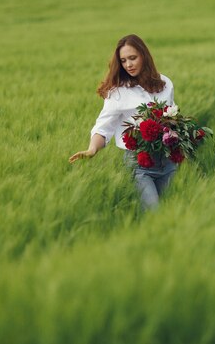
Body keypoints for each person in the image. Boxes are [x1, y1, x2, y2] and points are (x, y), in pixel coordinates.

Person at [69, 34, 177, 211]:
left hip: (168, 161)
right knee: (153, 212)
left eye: (133, 58)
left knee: (173, 212)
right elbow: (104, 127)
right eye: (124, 60)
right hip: (139, 165)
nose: (128, 65)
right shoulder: (118, 92)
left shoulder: (165, 83)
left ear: (144, 56)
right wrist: (92, 149)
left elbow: (173, 118)